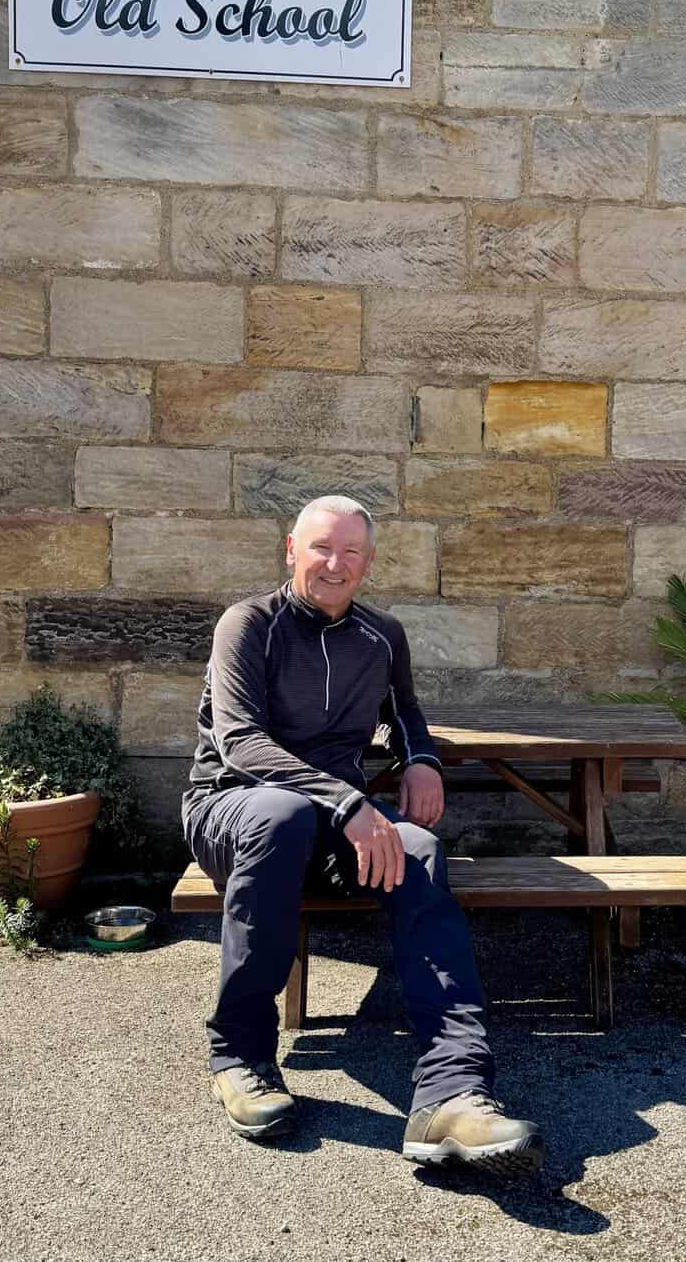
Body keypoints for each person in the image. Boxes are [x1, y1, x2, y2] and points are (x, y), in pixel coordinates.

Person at [181, 494, 543, 1175]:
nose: (334, 563)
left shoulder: (382, 635)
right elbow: (239, 742)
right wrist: (348, 801)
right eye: (321, 547)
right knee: (278, 814)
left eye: (351, 552)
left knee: (422, 851)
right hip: (230, 810)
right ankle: (240, 1056)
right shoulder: (248, 625)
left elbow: (402, 708)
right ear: (291, 549)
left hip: (331, 820)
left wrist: (424, 761)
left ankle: (454, 1091)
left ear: (370, 563)